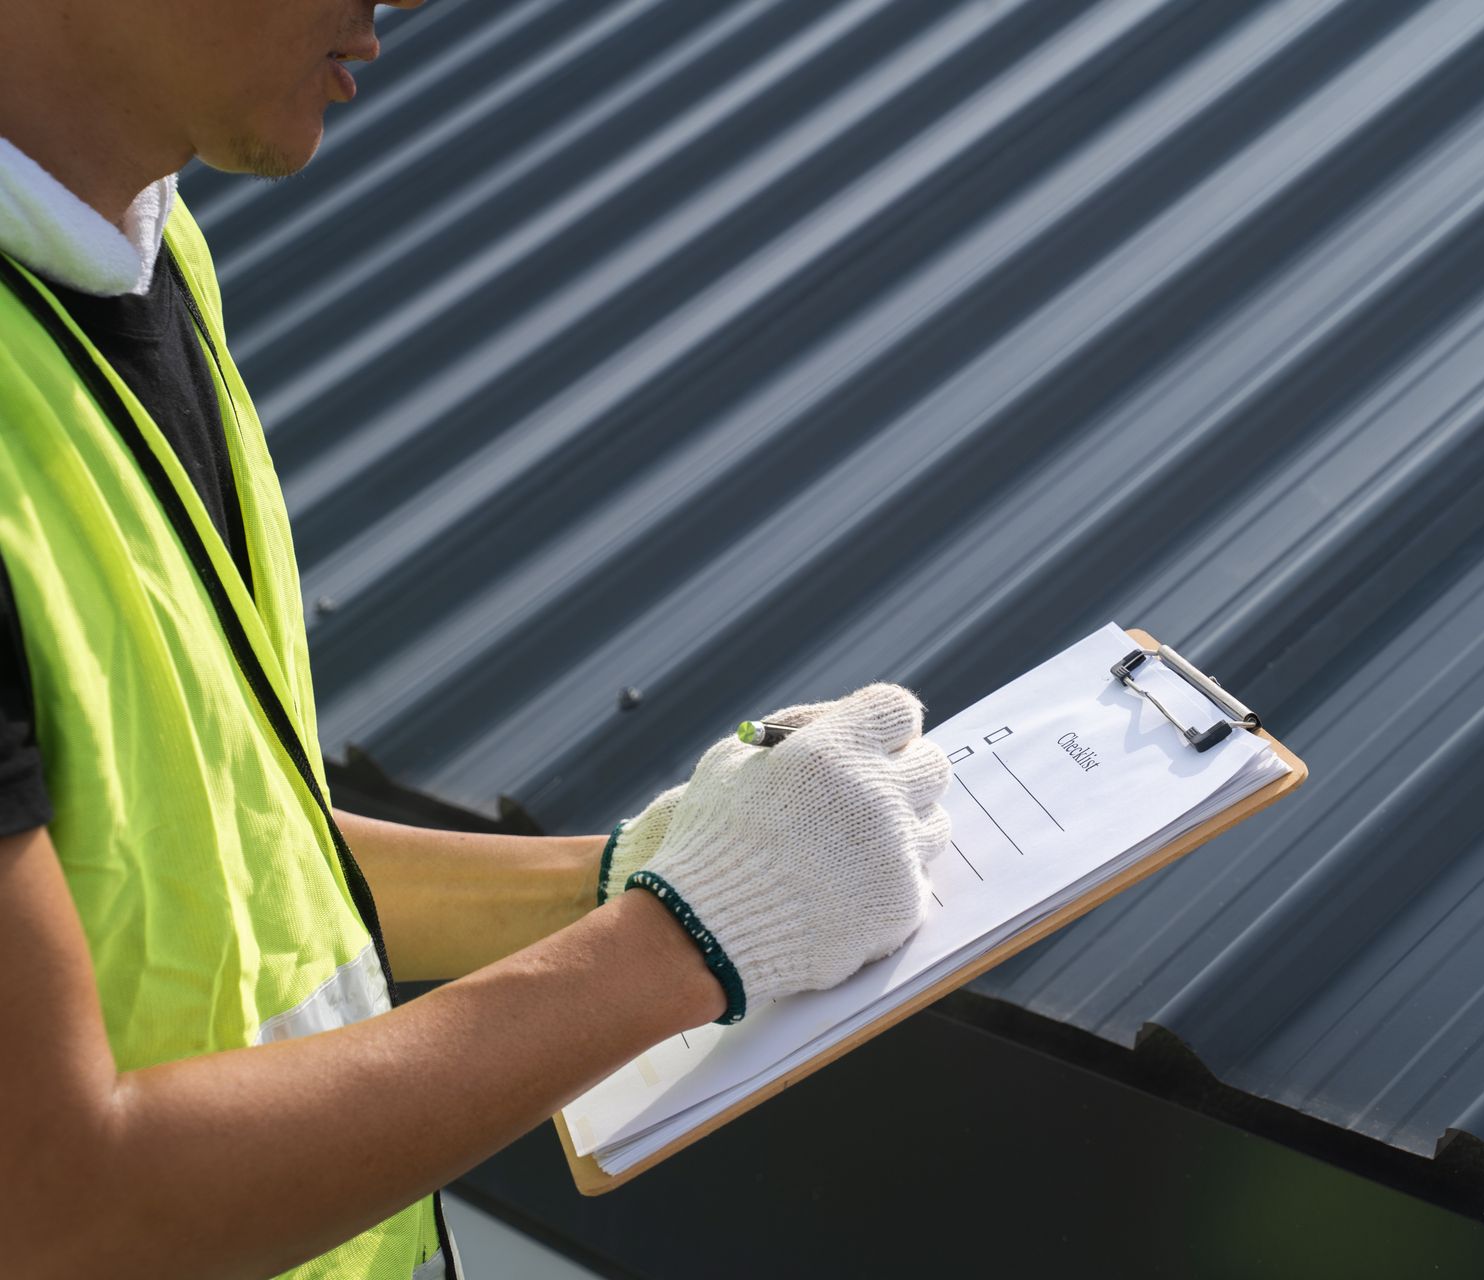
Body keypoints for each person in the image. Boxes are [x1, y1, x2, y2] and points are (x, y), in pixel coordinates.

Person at [0, 2, 953, 1276]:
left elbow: (212, 859)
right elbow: (66, 1209)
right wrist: (685, 936)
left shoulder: (135, 253)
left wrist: (619, 872)